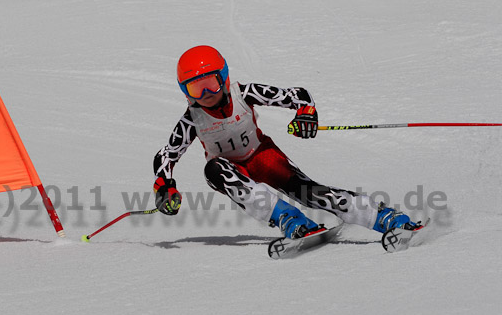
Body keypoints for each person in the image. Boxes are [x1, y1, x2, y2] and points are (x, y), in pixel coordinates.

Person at [153, 45, 418, 240]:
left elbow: (298, 96)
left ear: (224, 77)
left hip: (263, 156)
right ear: (184, 91)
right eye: (196, 89)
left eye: (211, 83)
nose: (207, 94)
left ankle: (382, 217)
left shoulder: (244, 93)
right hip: (229, 170)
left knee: (309, 192)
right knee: (213, 170)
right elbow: (166, 156)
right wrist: (164, 188)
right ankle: (288, 218)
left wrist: (306, 114)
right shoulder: (191, 120)